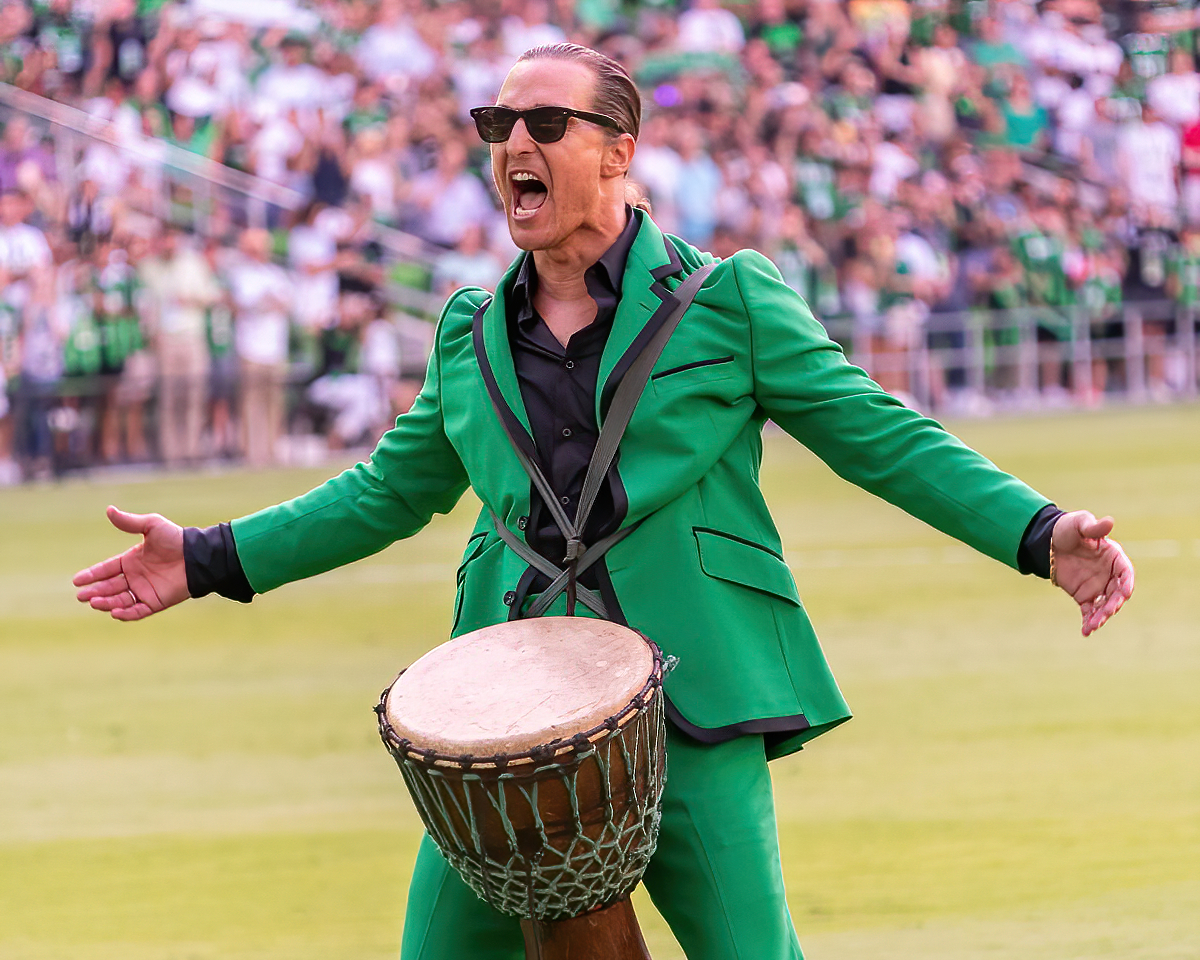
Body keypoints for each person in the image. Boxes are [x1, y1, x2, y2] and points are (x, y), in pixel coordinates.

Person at [75, 43, 1135, 960]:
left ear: (618, 151)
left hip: (695, 696)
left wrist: (1041, 534)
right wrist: (208, 557)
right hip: (505, 719)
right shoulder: (465, 328)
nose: (513, 145)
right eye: (498, 124)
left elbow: (879, 436)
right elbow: (388, 491)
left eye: (545, 122)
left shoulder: (732, 299)